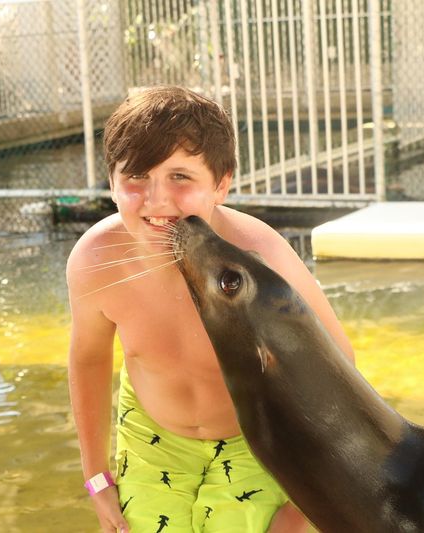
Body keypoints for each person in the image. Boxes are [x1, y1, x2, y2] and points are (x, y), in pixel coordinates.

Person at [67, 85, 355, 533]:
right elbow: (88, 358)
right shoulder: (95, 261)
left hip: (255, 439)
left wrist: (307, 499)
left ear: (221, 184)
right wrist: (97, 477)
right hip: (153, 436)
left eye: (180, 177)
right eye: (136, 177)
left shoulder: (261, 256)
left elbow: (338, 368)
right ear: (111, 182)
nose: (156, 199)